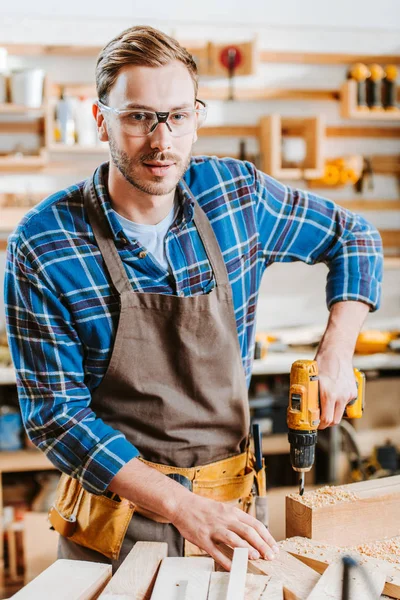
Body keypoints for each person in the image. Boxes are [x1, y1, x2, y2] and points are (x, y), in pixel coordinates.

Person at [4, 25, 382, 572]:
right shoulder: (45, 243)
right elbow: (57, 417)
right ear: (100, 118)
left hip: (233, 516)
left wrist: (337, 352)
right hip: (114, 532)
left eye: (178, 116)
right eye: (138, 117)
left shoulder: (236, 196)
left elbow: (355, 238)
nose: (162, 140)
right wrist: (181, 505)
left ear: (197, 117)